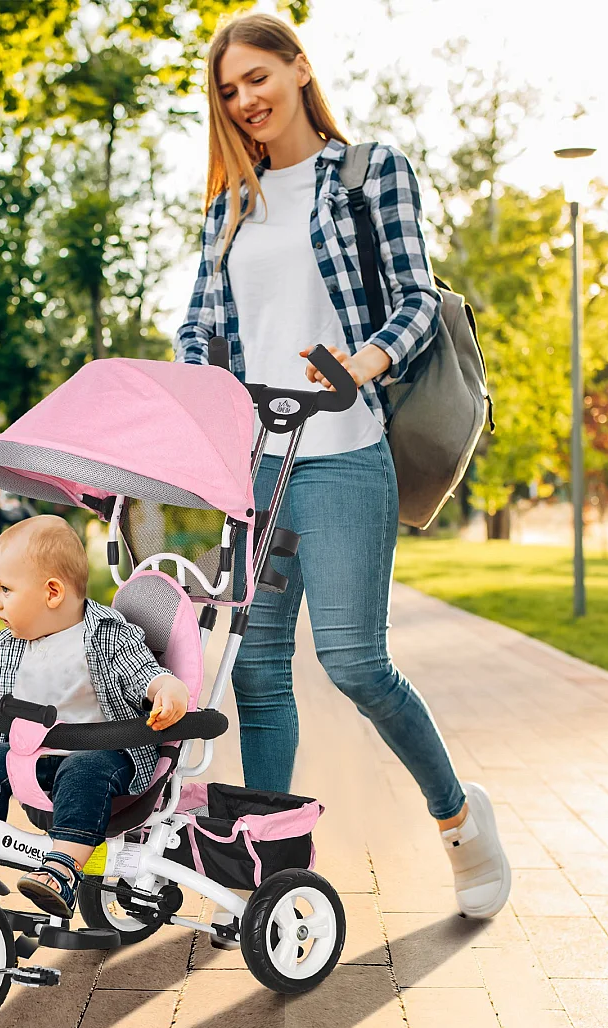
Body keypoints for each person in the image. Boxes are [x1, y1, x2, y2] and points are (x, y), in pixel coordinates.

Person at [174, 12, 510, 918]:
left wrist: (363, 361)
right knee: (256, 668)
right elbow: (199, 326)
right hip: (256, 466)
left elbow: (414, 298)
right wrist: (192, 397)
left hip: (348, 450)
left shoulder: (370, 174)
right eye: (229, 90)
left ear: (297, 68)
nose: (245, 101)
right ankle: (272, 868)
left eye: (256, 78)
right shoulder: (228, 206)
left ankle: (458, 819)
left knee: (357, 661)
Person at [0, 514, 189, 917]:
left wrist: (166, 688)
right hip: (38, 760)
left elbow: (142, 672)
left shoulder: (105, 635)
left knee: (83, 767)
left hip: (106, 759)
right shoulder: (12, 644)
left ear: (52, 593)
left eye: (5, 590)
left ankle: (64, 869)